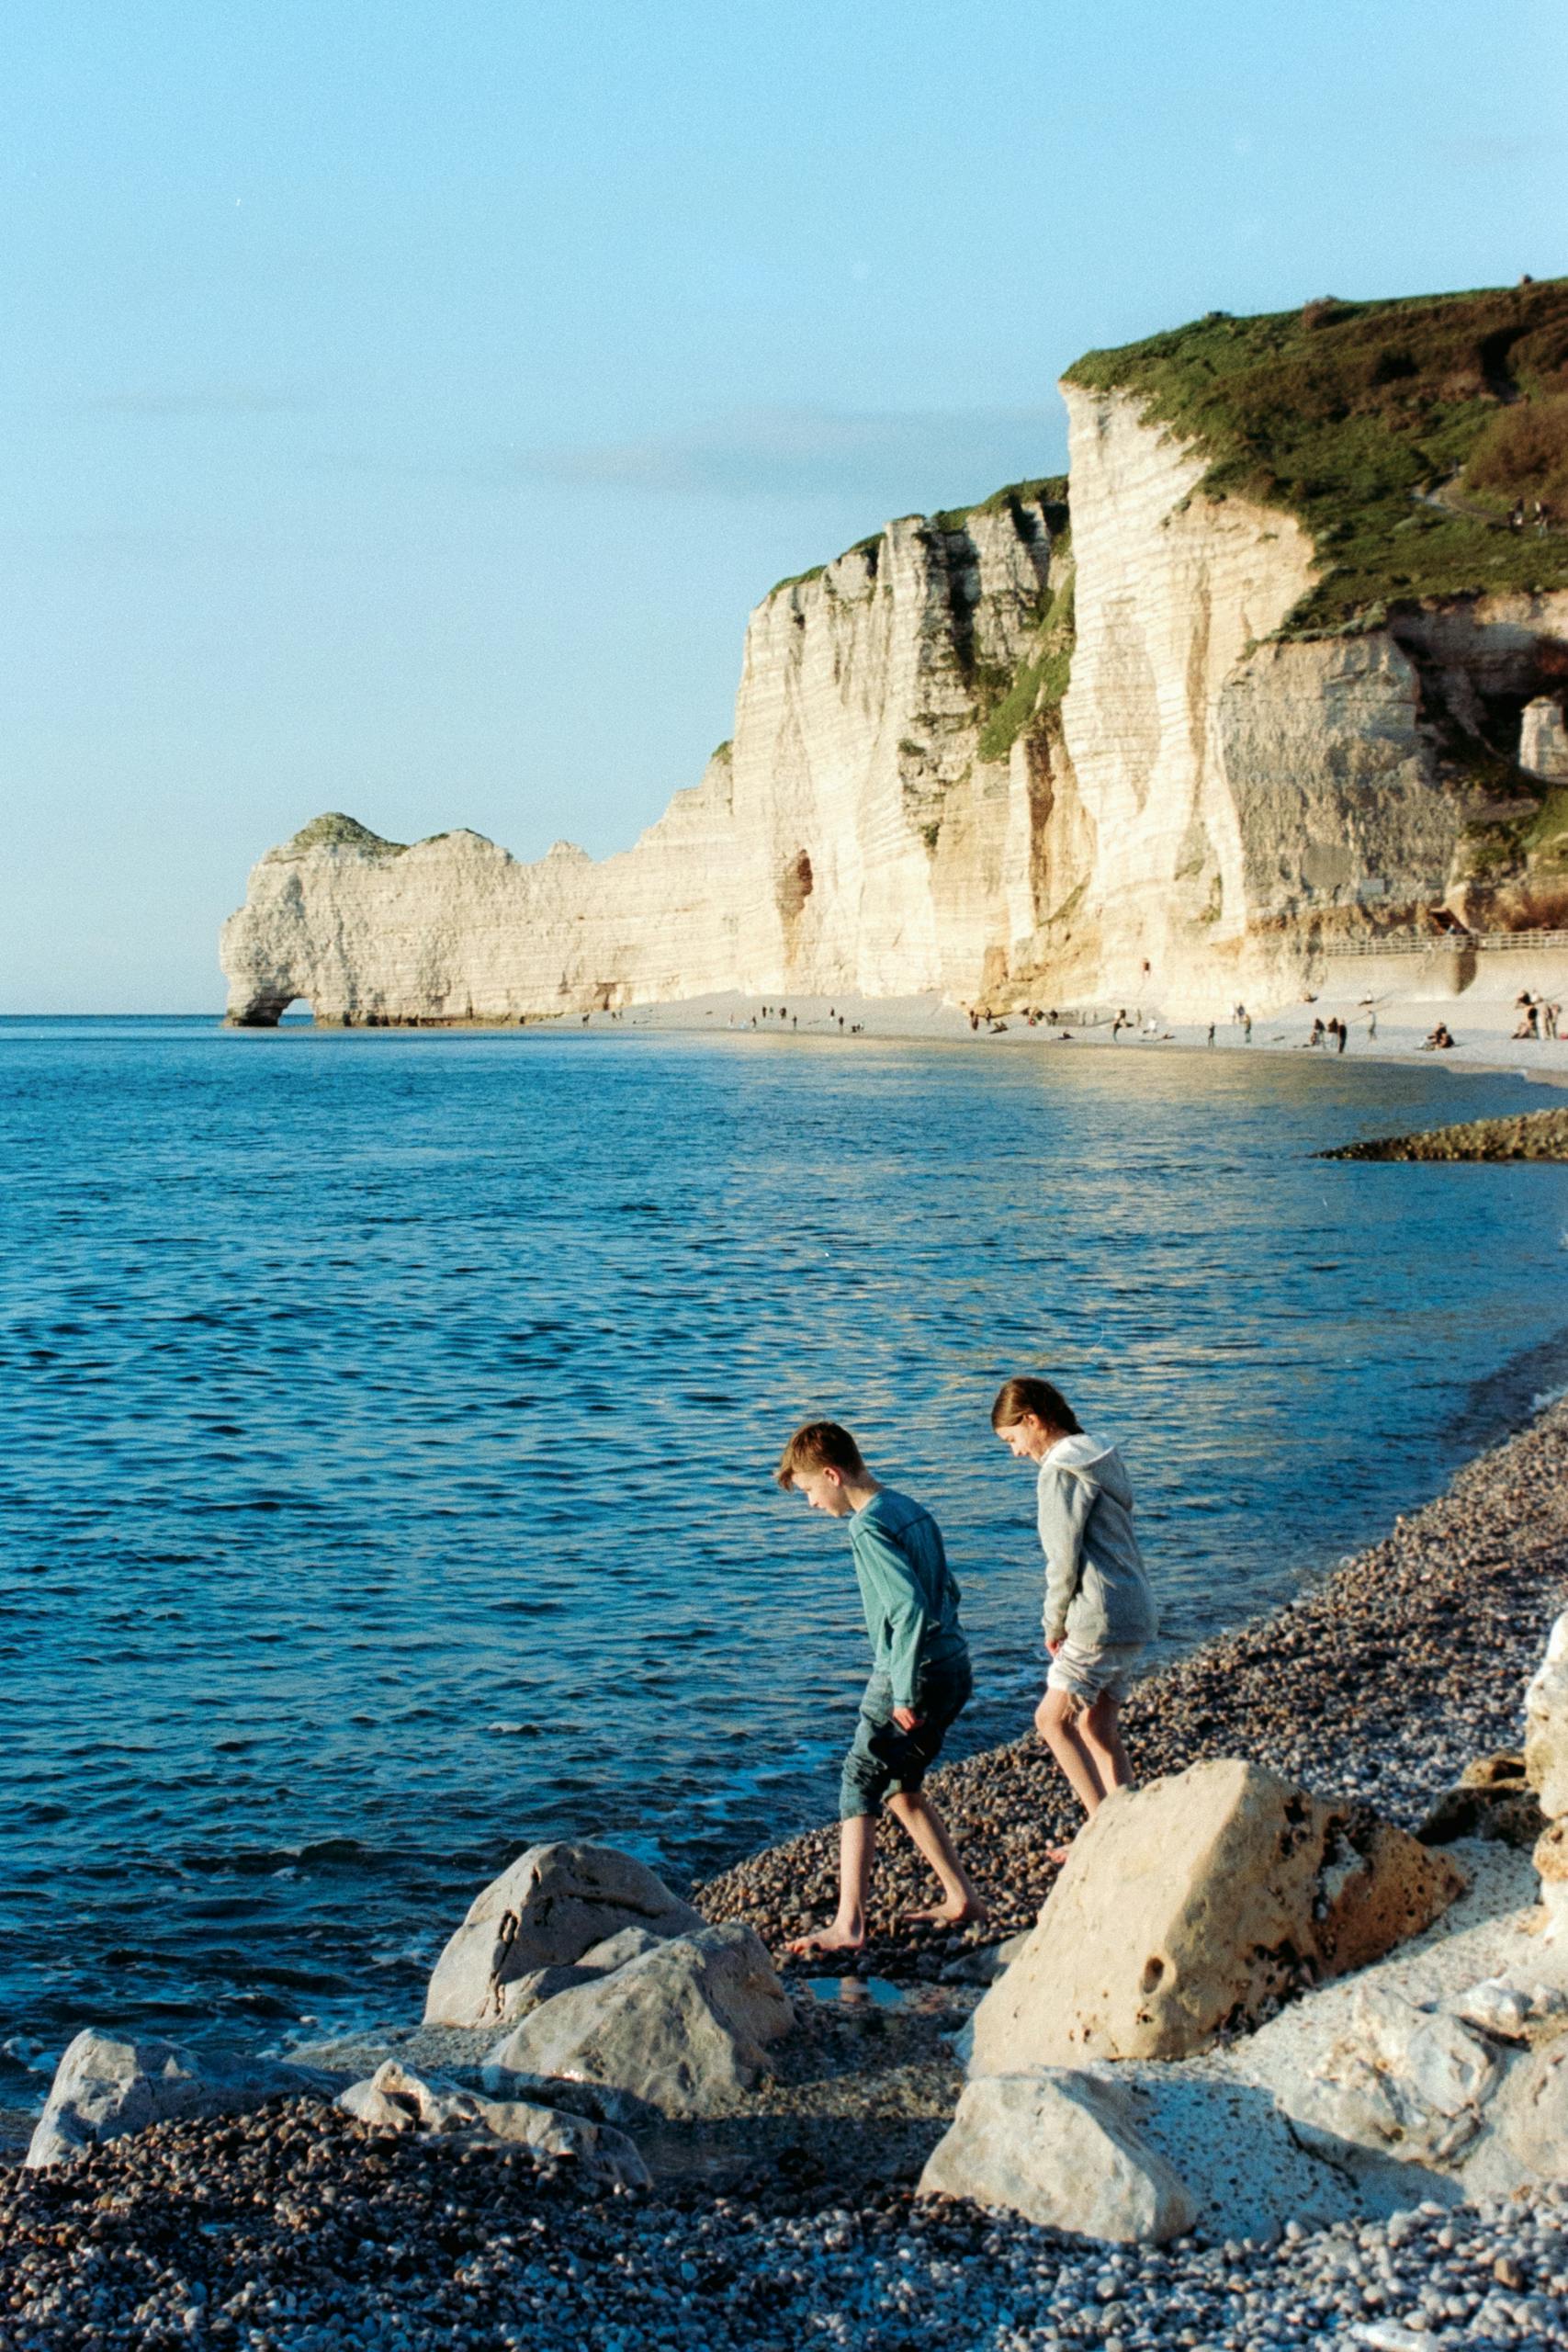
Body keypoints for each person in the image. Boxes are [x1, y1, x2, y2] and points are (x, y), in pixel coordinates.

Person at [777, 1421, 986, 1953]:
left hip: (908, 1671)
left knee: (858, 1781)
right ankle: (962, 1898)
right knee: (902, 1785)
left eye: (808, 1492)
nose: (811, 1504)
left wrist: (904, 1693)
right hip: (953, 1662)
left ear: (831, 1474)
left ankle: (848, 1925)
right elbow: (948, 1589)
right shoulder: (908, 1507)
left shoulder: (866, 1526)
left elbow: (909, 1607)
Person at [991, 1376, 1158, 1864]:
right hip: (1136, 1610)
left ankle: (1100, 1833)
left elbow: (1062, 1559)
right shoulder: (1102, 1456)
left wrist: (1053, 1623)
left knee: (1050, 1720)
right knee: (1099, 1726)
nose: (1016, 1453)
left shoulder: (1060, 1470)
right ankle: (1127, 1823)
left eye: (1012, 1440)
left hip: (1099, 1613)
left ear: (1033, 1421)